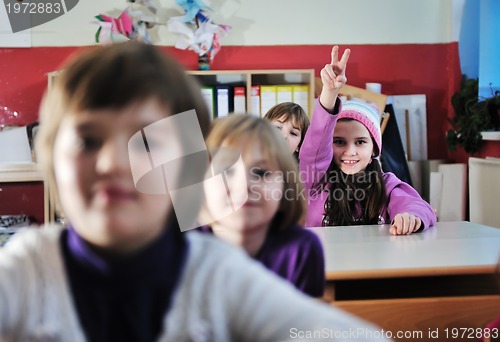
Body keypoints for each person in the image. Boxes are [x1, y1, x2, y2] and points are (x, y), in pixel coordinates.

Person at [0, 42, 391, 341]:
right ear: (50, 157)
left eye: (147, 143)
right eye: (87, 141)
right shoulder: (29, 268)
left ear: (189, 166)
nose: (112, 164)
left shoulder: (214, 274)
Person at [300, 46, 436, 235]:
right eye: (339, 142)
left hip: (373, 263)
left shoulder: (387, 184)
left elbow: (418, 206)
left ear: (374, 149)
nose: (350, 151)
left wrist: (410, 216)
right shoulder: (316, 180)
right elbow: (314, 146)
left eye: (360, 142)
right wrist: (329, 94)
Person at [200, 114, 324, 297]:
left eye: (261, 172)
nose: (244, 186)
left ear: (285, 186)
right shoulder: (180, 248)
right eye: (226, 170)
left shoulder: (301, 249)